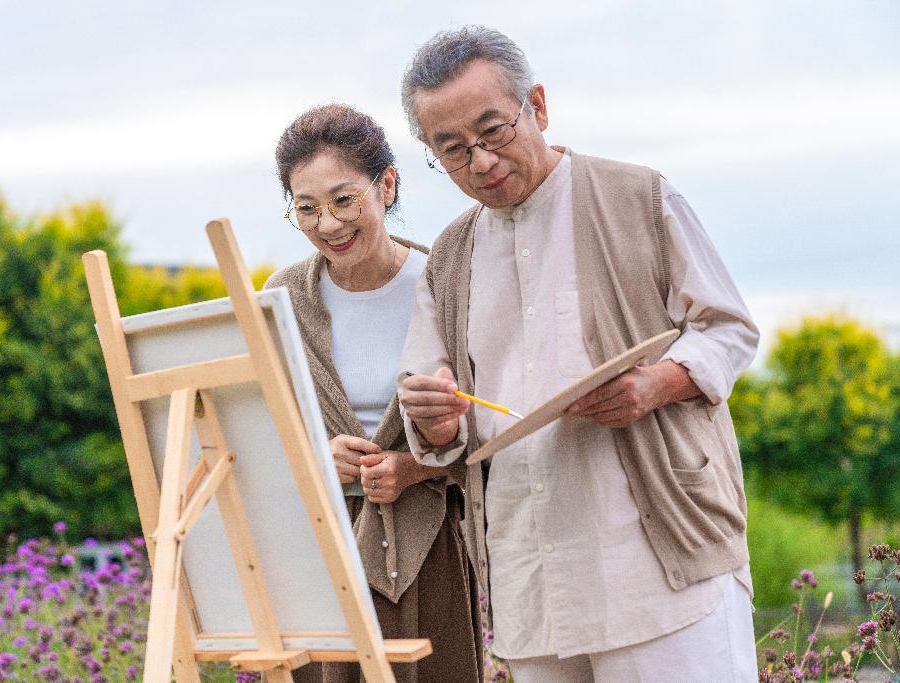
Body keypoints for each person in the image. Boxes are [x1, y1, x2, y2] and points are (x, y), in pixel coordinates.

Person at [396, 26, 761, 682]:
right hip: (529, 575)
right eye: (451, 149)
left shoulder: (638, 195)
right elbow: (435, 404)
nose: (479, 162)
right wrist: (435, 416)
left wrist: (655, 384)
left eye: (494, 131)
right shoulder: (448, 256)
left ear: (536, 105)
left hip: (655, 561)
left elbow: (729, 329)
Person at [265, 103, 483, 683]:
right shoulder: (283, 297)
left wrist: (415, 467)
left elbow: (494, 422)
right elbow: (261, 431)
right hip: (316, 551)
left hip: (426, 543)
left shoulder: (446, 282)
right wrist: (317, 457)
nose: (329, 225)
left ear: (386, 185)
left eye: (344, 200)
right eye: (305, 209)